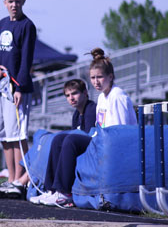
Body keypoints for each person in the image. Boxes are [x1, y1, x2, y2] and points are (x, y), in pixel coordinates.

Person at [32, 48, 137, 207]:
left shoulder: (117, 96)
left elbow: (121, 133)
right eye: (93, 78)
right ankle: (52, 190)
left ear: (111, 76)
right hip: (100, 140)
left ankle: (65, 192)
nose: (96, 81)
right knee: (59, 138)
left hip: (112, 145)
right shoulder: (102, 97)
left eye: (100, 77)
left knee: (71, 140)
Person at [0, 0, 37, 196]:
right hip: (1, 88)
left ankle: (20, 180)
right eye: (10, 1)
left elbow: (26, 60)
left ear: (23, 1)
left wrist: (19, 87)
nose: (14, 5)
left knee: (18, 135)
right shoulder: (1, 24)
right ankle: (10, 179)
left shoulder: (27, 26)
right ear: (4, 3)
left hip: (17, 90)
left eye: (17, 1)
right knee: (4, 136)